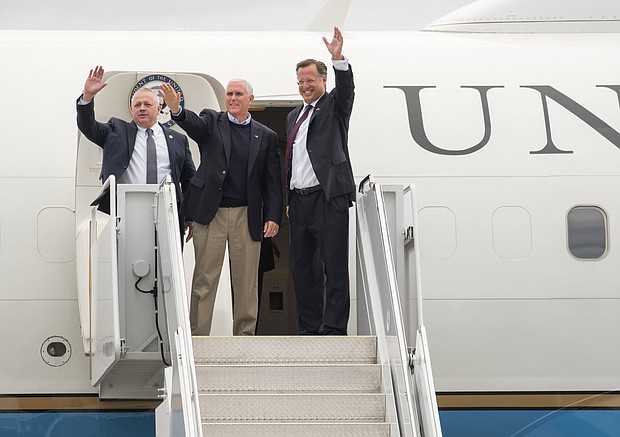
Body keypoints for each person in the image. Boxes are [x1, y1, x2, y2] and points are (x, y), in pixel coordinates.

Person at [159, 79, 282, 336]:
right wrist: (177, 109)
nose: (232, 98)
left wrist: (273, 216)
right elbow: (192, 124)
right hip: (210, 213)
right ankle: (198, 337)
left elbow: (272, 180)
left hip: (247, 215)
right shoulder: (212, 121)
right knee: (205, 278)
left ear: (251, 99)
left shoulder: (266, 136)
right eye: (229, 94)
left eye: (238, 94)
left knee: (246, 282)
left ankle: (244, 337)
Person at [285, 27, 355, 335]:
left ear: (323, 81)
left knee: (334, 268)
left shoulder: (335, 107)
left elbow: (348, 90)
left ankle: (334, 328)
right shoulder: (292, 117)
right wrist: (288, 201)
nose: (304, 86)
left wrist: (338, 58)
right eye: (300, 82)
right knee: (303, 271)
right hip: (299, 203)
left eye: (310, 80)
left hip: (328, 198)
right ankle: (309, 327)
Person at [76, 66, 196, 244]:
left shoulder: (178, 139)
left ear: (159, 109)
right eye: (137, 105)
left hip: (168, 211)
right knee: (130, 266)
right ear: (131, 110)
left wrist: (189, 215)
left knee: (167, 268)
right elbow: (88, 126)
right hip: (128, 210)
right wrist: (87, 97)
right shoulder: (115, 131)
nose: (142, 108)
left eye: (147, 104)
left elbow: (189, 179)